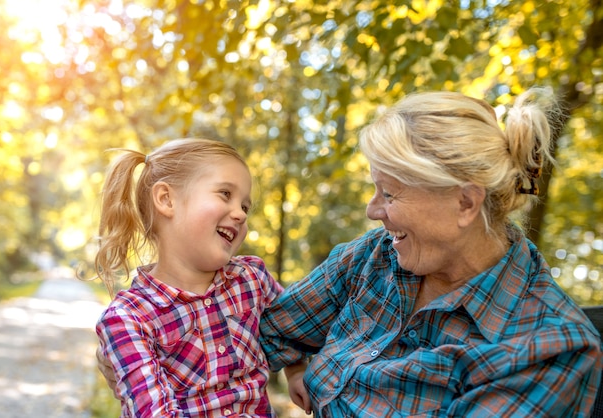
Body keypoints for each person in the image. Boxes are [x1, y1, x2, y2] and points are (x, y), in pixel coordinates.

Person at [259, 88, 602, 417]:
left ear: (465, 203)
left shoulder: (549, 349)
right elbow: (270, 332)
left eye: (390, 194)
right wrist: (296, 366)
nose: (372, 210)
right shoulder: (374, 257)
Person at [93, 138, 310, 417]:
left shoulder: (251, 279)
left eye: (245, 206)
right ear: (166, 199)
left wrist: (296, 370)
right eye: (224, 194)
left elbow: (291, 327)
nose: (241, 215)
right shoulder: (128, 318)